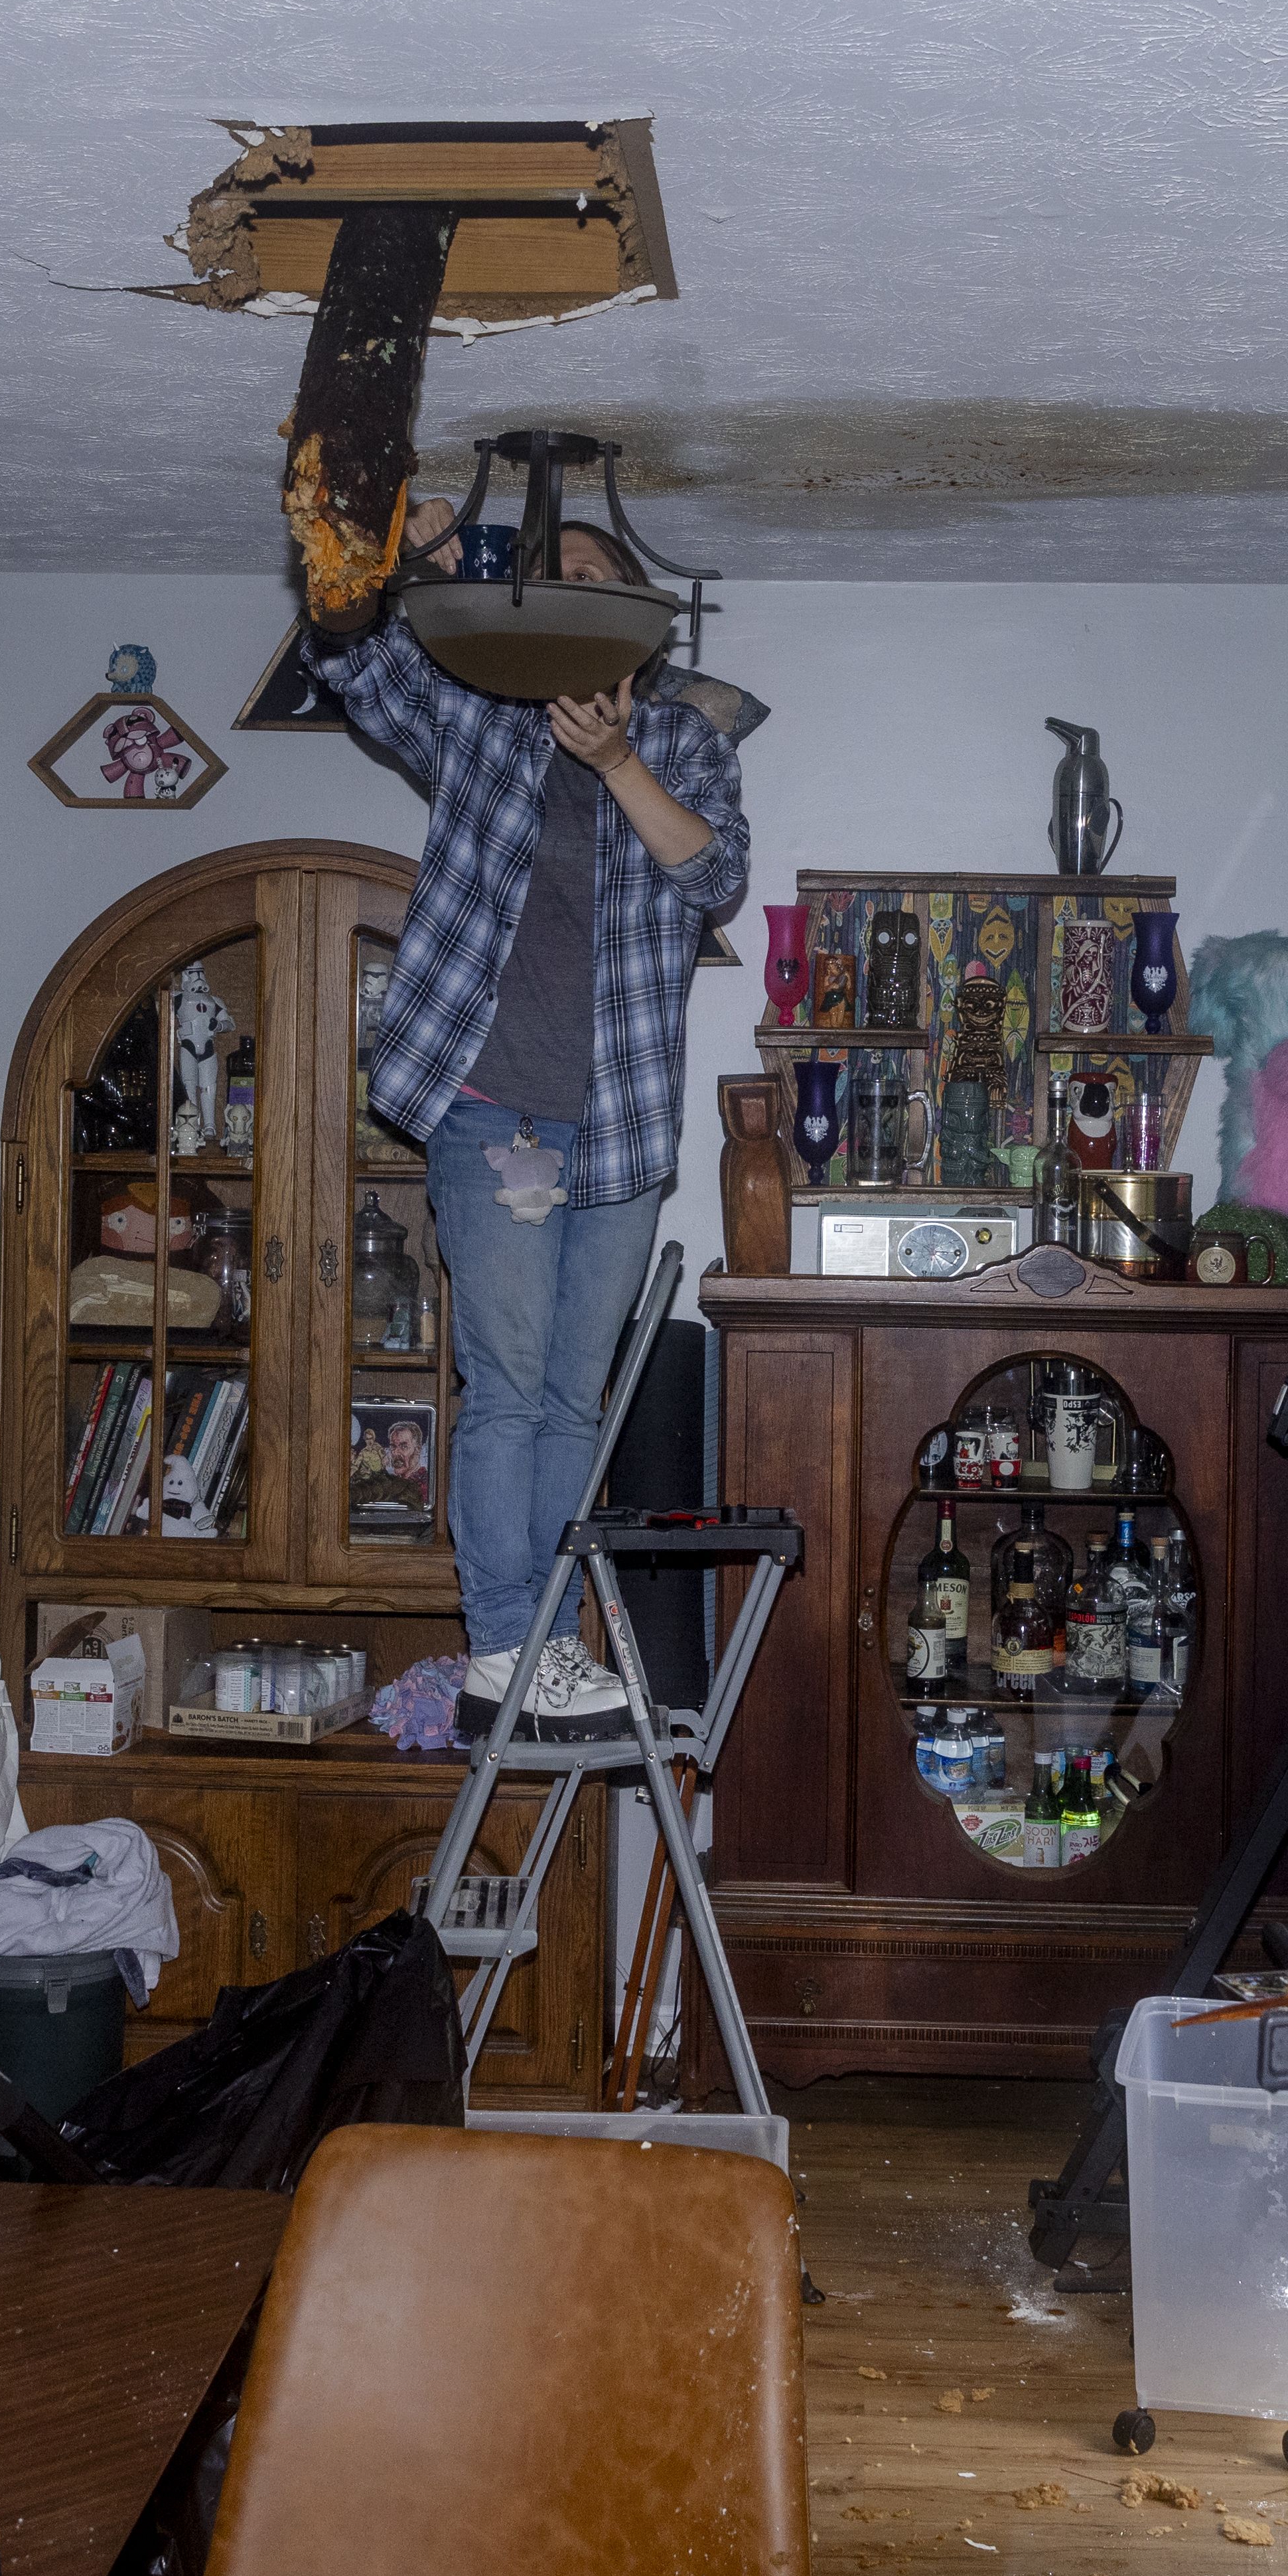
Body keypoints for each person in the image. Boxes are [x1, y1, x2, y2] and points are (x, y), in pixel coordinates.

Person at [311, 498, 752, 1733]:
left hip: (614, 1134)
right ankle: (510, 1644)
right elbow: (351, 661)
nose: (566, 587)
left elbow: (713, 872)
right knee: (505, 1391)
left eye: (593, 575)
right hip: (489, 1113)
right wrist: (402, 560)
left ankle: (545, 1643)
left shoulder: (684, 743)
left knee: (575, 1400)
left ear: (630, 625)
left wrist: (618, 764)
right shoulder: (482, 715)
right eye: (545, 574)